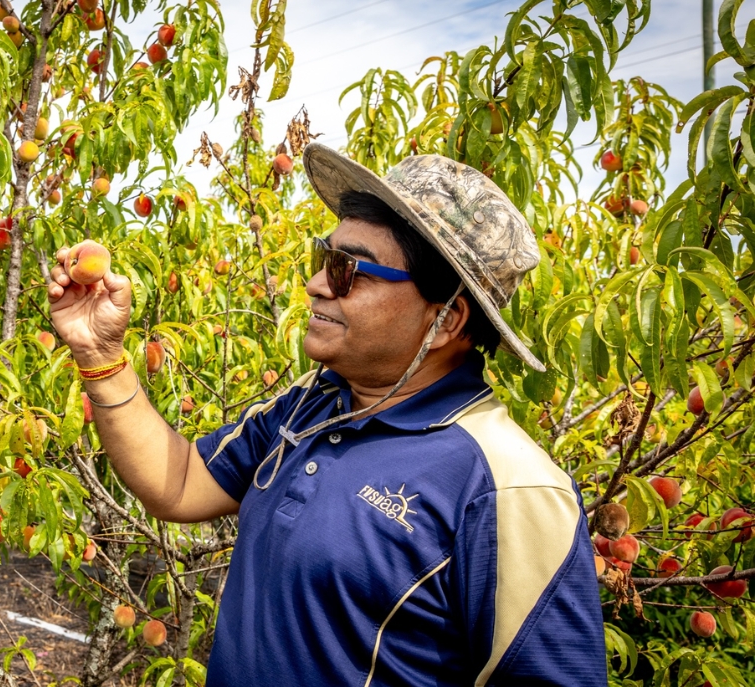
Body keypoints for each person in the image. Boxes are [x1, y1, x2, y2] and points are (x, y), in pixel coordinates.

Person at [46, 143, 607, 686]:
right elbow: (181, 484)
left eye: (348, 271)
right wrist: (101, 356)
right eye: (323, 259)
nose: (315, 285)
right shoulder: (313, 404)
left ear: (446, 320)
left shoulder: (509, 487)